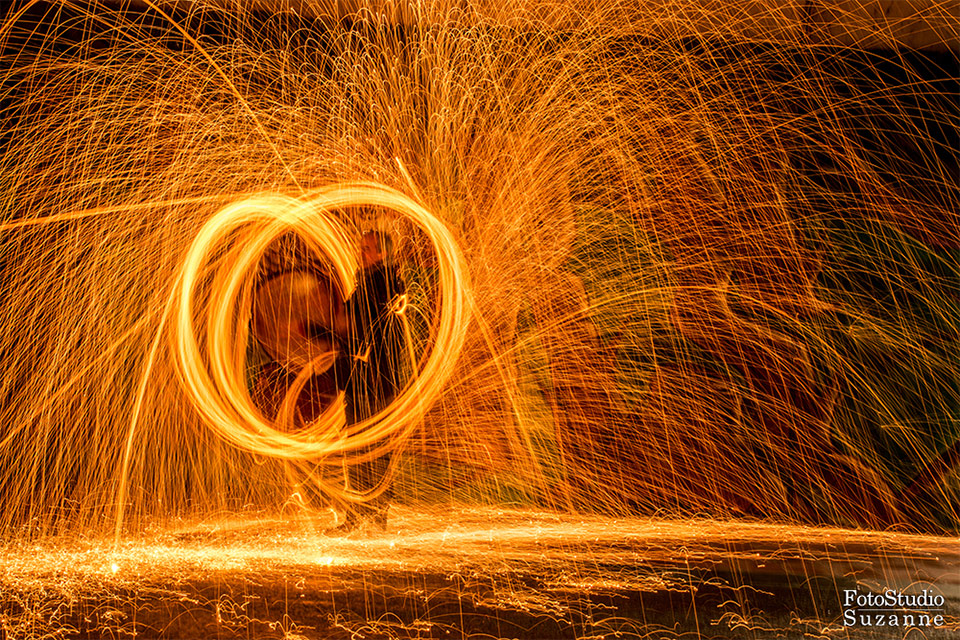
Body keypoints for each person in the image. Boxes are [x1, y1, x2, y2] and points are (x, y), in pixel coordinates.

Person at [328, 230, 408, 534]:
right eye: (360, 247)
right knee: (359, 450)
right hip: (362, 379)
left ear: (382, 254)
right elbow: (348, 322)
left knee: (372, 451)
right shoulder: (368, 284)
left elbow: (363, 326)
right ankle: (360, 516)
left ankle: (373, 518)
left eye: (367, 249)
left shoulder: (382, 285)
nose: (360, 253)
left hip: (376, 381)